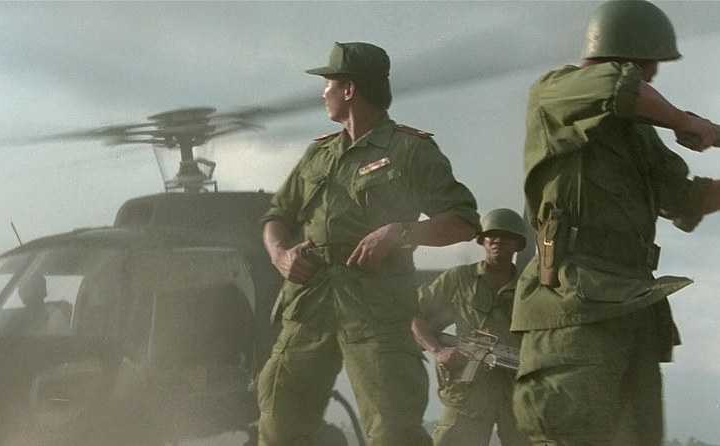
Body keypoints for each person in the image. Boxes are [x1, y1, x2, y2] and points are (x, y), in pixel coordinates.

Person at [511, 1, 720, 445]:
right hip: (574, 303)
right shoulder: (556, 89)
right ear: (626, 53)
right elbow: (617, 87)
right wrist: (689, 122)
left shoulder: (636, 131)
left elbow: (685, 199)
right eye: (650, 63)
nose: (654, 74)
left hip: (632, 303)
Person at [256, 41, 480, 446]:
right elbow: (277, 215)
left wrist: (401, 232)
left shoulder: (411, 149)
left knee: (394, 431)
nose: (323, 92)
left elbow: (464, 221)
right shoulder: (318, 153)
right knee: (278, 423)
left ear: (349, 89)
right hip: (309, 303)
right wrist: (279, 255)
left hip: (377, 308)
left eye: (328, 83)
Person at [412, 208, 530, 446]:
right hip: (469, 388)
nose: (497, 240)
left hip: (516, 386)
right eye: (491, 235)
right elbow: (414, 313)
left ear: (517, 243)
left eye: (505, 236)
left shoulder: (529, 287)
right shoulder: (459, 278)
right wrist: (438, 350)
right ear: (483, 240)